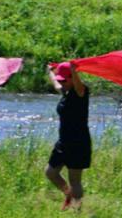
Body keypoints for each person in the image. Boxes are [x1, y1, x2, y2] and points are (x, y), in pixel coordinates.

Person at [45, 62, 91, 211]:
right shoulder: (66, 92)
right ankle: (68, 195)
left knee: (75, 180)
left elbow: (79, 85)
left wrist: (74, 71)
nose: (61, 83)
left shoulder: (81, 92)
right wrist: (50, 72)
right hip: (63, 142)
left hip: (78, 143)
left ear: (72, 78)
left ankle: (76, 210)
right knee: (50, 173)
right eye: (60, 80)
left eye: (64, 80)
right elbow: (56, 85)